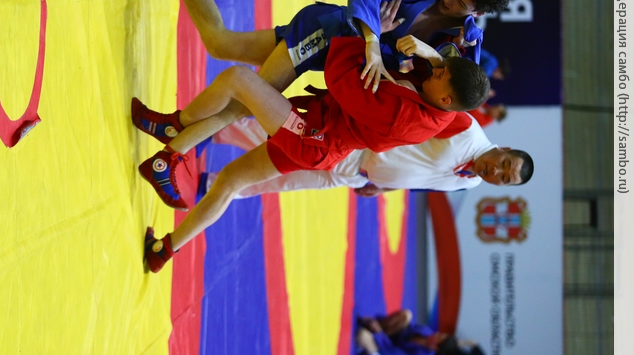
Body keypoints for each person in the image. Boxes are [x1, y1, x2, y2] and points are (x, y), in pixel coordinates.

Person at [133, 0, 507, 192]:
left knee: (221, 43)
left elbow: (448, 93)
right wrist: (373, 40)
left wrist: (428, 56)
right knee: (242, 103)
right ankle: (171, 147)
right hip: (330, 35)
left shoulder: (466, 45)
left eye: (460, 3)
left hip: (345, 60)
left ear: (477, 13)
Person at [138, 35, 489, 273]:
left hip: (315, 138)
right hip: (324, 140)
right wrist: (434, 55)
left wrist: (367, 39)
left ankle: (170, 144)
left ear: (446, 98)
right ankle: (163, 251)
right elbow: (442, 85)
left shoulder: (407, 116)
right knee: (230, 181)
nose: (435, 71)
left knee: (239, 79)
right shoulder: (443, 111)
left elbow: (342, 81)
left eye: (440, 73)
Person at [198, 112, 533, 199]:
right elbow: (417, 110)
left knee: (284, 183)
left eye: (504, 179)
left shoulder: (471, 184)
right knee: (279, 139)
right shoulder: (466, 128)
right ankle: (214, 129)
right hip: (356, 148)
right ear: (503, 148)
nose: (497, 172)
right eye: (504, 164)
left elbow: (425, 181)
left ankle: (213, 187)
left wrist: (385, 187)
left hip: (357, 176)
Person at [354, 310, 446, 355]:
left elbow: (389, 353)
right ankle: (371, 328)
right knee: (406, 315)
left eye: (438, 337)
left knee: (362, 335)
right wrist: (379, 324)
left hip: (385, 353)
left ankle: (369, 352)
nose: (436, 333)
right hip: (391, 338)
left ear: (435, 348)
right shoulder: (426, 331)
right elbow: (402, 327)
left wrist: (379, 333)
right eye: (440, 334)